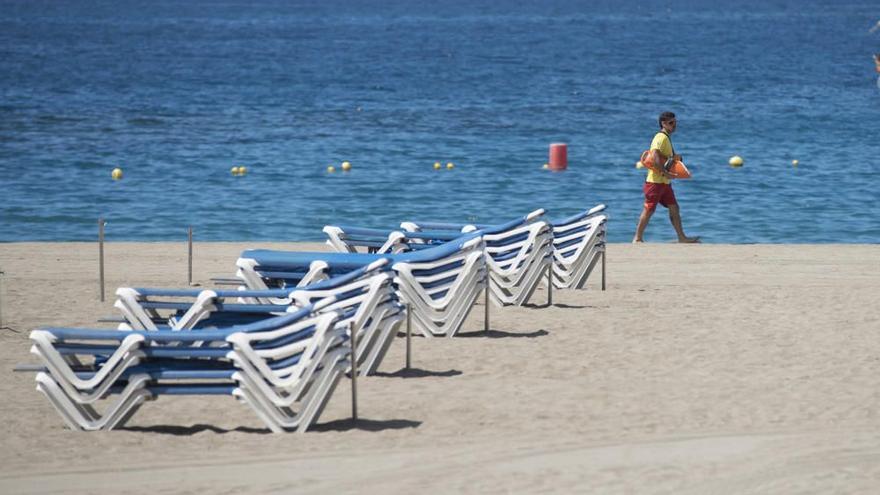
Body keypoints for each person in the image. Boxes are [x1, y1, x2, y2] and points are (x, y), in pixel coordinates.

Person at [632, 111, 700, 243]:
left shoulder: (666, 137)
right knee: (649, 209)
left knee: (674, 207)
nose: (674, 125)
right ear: (663, 123)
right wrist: (665, 173)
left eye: (675, 122)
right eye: (671, 123)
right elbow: (655, 156)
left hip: (665, 183)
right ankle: (637, 238)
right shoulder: (660, 137)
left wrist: (675, 159)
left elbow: (663, 158)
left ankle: (682, 237)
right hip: (655, 182)